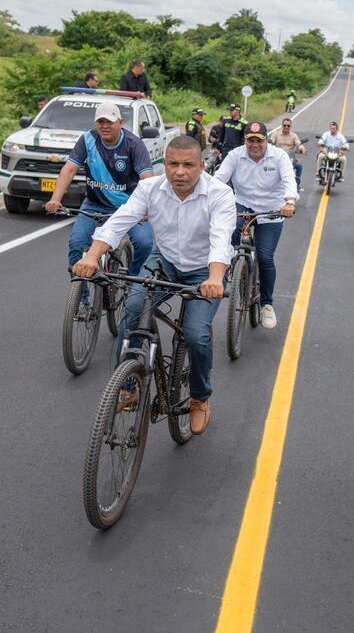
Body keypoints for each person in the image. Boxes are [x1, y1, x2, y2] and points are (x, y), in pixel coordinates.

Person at [72, 136, 236, 435]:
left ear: (202, 166)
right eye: (173, 164)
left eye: (188, 165)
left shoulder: (220, 194)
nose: (180, 172)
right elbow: (120, 220)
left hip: (205, 269)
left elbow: (221, 238)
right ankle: (129, 386)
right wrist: (93, 256)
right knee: (134, 308)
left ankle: (200, 397)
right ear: (164, 164)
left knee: (196, 334)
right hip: (165, 261)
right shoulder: (149, 188)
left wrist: (214, 278)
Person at [45, 102, 155, 304]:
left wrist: (147, 207)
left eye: (109, 122)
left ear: (120, 122)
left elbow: (147, 178)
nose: (104, 126)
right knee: (77, 244)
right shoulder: (87, 140)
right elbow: (69, 169)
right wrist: (55, 199)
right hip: (94, 205)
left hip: (129, 207)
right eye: (100, 122)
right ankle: (82, 301)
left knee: (144, 243)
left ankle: (133, 284)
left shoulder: (134, 144)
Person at [213, 121, 298, 330]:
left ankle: (267, 304)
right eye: (250, 140)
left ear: (266, 140)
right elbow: (218, 180)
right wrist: (206, 198)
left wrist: (289, 202)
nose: (255, 145)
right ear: (245, 141)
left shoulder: (279, 156)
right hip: (242, 205)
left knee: (265, 257)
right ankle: (232, 267)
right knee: (227, 236)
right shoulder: (235, 155)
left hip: (272, 210)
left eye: (259, 140)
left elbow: (289, 179)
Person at [268, 118, 307, 190]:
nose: (286, 127)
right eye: (285, 125)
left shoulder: (294, 135)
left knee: (299, 166)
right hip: (278, 158)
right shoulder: (276, 134)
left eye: (288, 126)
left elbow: (299, 144)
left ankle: (297, 185)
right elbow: (271, 142)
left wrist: (302, 149)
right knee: (268, 168)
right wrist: (269, 142)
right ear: (282, 125)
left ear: (290, 126)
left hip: (290, 158)